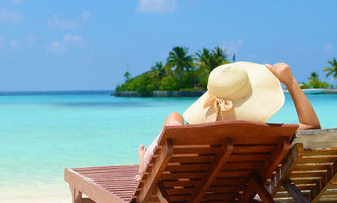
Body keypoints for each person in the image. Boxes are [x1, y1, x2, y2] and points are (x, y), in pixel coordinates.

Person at [136, 62, 321, 180]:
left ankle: (146, 159)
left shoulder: (194, 136)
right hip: (230, 190)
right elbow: (312, 126)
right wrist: (290, 82)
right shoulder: (264, 133)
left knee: (175, 117)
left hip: (181, 186)